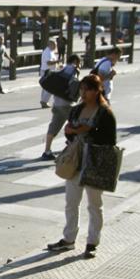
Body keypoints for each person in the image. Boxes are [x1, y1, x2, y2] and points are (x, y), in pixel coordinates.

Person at [46, 75, 117, 259]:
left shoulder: (104, 113)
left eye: (88, 89)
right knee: (71, 202)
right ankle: (68, 239)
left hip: (95, 162)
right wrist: (71, 132)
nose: (83, 93)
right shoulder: (76, 110)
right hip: (76, 162)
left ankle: (92, 242)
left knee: (94, 205)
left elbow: (110, 140)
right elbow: (70, 136)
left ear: (97, 90)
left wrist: (87, 131)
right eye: (82, 89)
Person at [41, 54, 81, 160]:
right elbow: (74, 85)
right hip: (68, 104)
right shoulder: (74, 70)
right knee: (76, 126)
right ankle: (72, 148)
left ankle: (47, 151)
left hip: (57, 103)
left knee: (53, 127)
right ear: (76, 61)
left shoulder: (61, 67)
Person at [39, 40, 60, 108]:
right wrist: (57, 61)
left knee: (45, 88)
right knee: (50, 87)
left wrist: (57, 64)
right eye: (55, 45)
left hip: (48, 71)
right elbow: (48, 63)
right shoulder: (47, 52)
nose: (56, 46)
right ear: (50, 44)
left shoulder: (51, 51)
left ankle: (43, 101)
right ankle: (44, 101)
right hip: (47, 71)